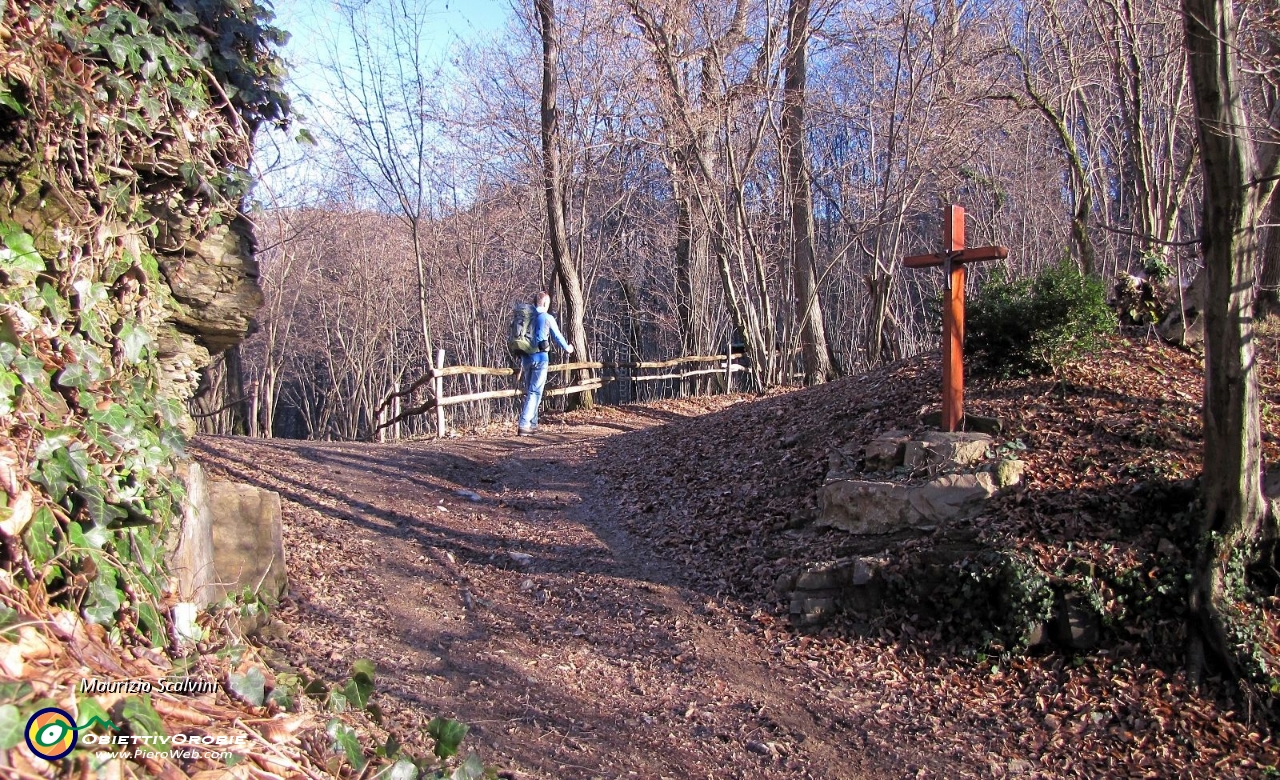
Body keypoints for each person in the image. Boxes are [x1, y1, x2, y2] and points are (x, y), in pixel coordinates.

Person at [518, 291, 573, 436]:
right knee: (535, 392)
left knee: (531, 390)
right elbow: (557, 336)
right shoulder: (547, 318)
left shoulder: (527, 317)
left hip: (526, 358)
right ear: (545, 303)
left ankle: (532, 424)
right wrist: (568, 348)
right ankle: (524, 424)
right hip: (541, 359)